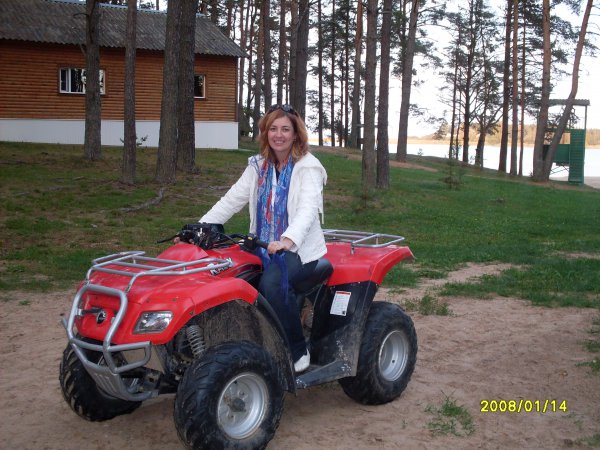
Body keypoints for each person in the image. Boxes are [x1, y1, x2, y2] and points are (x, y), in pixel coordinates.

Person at [198, 104, 327, 373]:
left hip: (299, 250)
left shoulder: (308, 167)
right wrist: (200, 228)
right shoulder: (259, 166)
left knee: (273, 284)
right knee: (223, 273)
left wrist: (287, 240)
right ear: (265, 132)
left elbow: (307, 211)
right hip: (262, 245)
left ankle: (297, 350)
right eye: (273, 129)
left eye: (285, 129)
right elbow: (231, 200)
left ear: (296, 134)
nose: (278, 135)